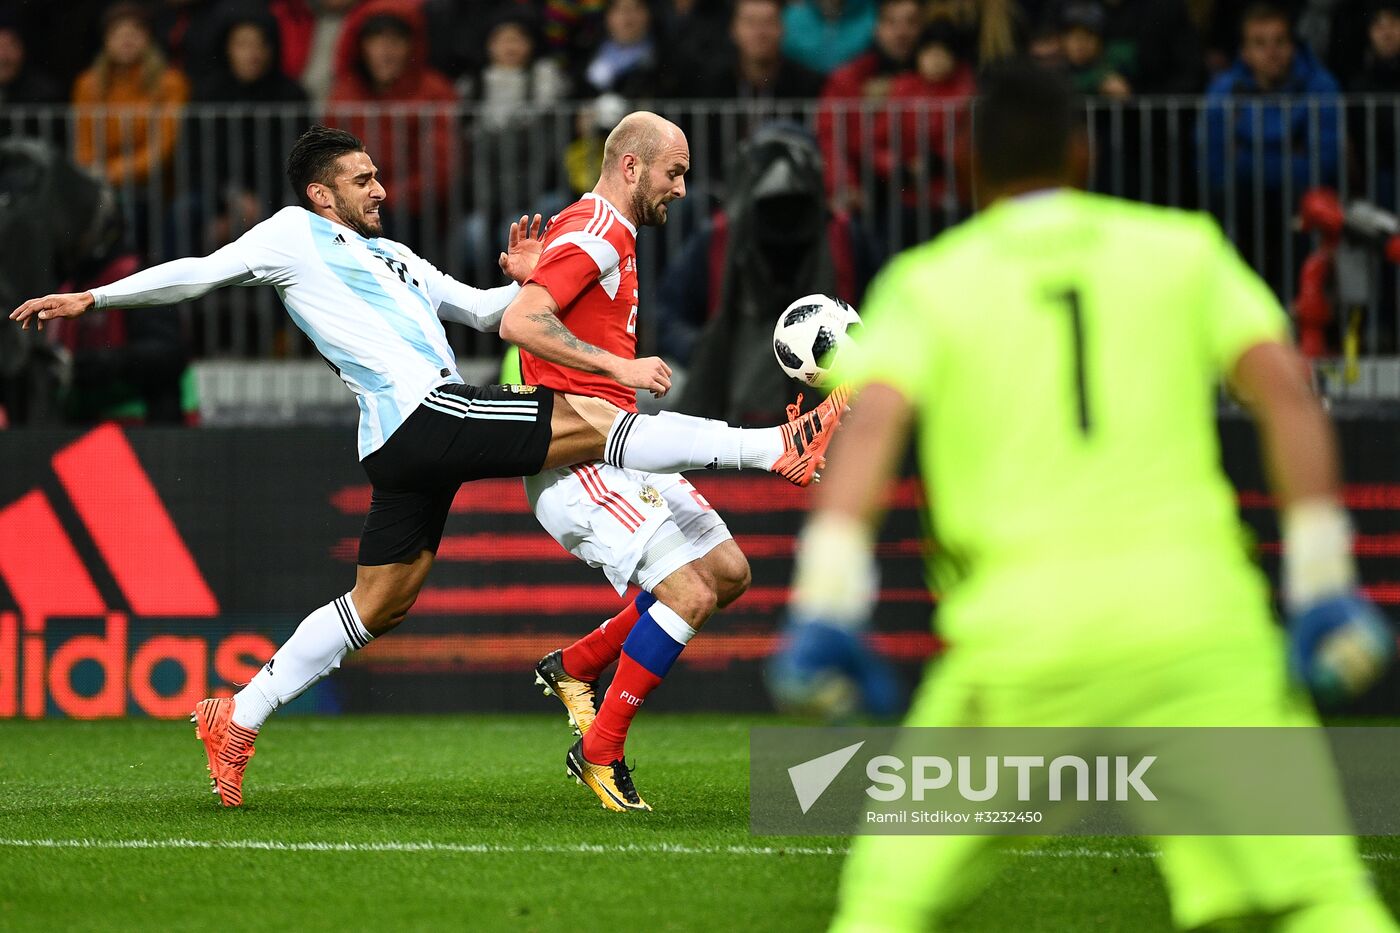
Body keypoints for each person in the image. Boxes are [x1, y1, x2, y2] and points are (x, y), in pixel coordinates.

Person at [10, 125, 843, 808]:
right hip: (423, 411)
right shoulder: (291, 234)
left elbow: (482, 310)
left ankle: (236, 712)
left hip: (406, 442)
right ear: (322, 194)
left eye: (377, 176)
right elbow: (200, 273)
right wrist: (96, 299)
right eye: (362, 179)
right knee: (597, 415)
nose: (379, 189)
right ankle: (770, 448)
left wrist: (518, 279)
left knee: (384, 599)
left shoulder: (396, 256)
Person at [773, 61, 1397, 931]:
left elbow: (871, 429)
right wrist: (1325, 582)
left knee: (885, 903)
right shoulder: (1184, 249)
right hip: (1198, 629)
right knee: (1324, 899)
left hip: (1022, 647)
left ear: (966, 166)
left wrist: (825, 607)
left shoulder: (929, 283)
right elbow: (1289, 393)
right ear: (1083, 153)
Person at [498, 112, 851, 812]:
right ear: (631, 166)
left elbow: (540, 306)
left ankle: (575, 665)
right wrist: (613, 360)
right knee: (686, 594)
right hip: (581, 457)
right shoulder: (598, 231)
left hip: (621, 441)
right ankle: (598, 750)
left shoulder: (605, 230)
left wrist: (534, 283)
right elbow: (520, 324)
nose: (683, 189)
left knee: (727, 574)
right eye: (674, 172)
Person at [1201, 2, 1341, 294]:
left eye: (1280, 42)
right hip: (1241, 203)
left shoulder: (1319, 84)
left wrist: (1249, 162)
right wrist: (1287, 159)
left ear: (1292, 46)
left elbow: (1323, 160)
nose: (1271, 52)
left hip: (1298, 204)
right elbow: (1211, 160)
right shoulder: (1224, 90)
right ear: (1244, 52)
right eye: (1260, 43)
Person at [816, 0, 922, 216]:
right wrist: (843, 184)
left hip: (925, 197)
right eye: (892, 22)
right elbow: (831, 137)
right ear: (877, 27)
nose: (902, 32)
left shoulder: (942, 79)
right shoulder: (851, 77)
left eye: (911, 22)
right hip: (867, 193)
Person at [71, 3, 191, 194]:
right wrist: (95, 174)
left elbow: (162, 148)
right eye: (118, 32)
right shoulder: (88, 84)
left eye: (135, 32)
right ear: (106, 39)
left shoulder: (171, 82)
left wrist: (111, 173)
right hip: (101, 186)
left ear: (148, 37)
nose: (127, 39)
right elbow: (84, 145)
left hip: (156, 187)